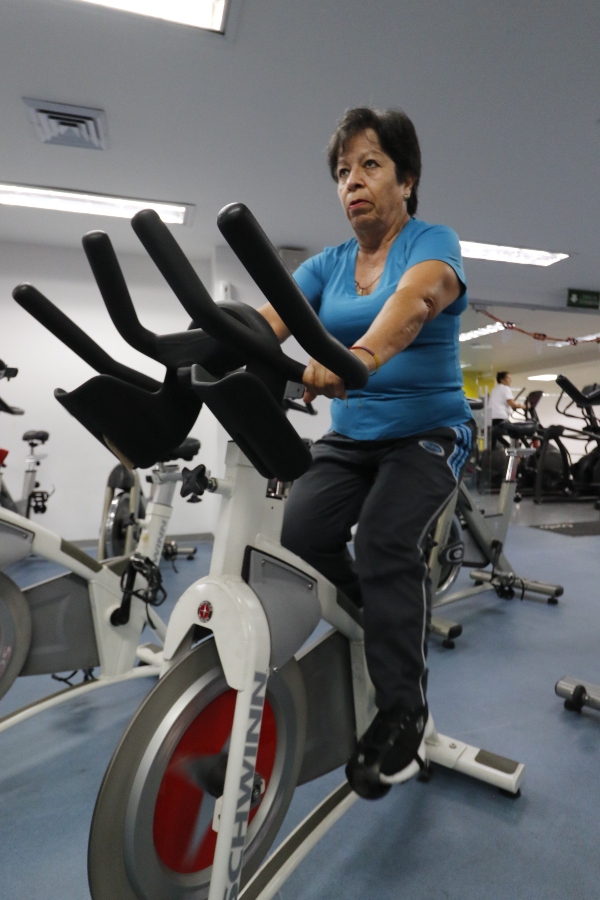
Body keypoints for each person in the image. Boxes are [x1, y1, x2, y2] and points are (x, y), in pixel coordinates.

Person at [258, 107, 474, 798]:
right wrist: (219, 348)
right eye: (343, 171)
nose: (353, 181)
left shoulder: (430, 243)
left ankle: (403, 711)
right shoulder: (327, 264)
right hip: (352, 437)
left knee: (384, 538)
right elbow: (270, 320)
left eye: (371, 165)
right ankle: (376, 610)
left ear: (406, 180)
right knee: (301, 530)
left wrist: (360, 355)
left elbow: (414, 304)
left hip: (429, 432)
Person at [490, 371, 525, 448]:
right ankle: (514, 447)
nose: (510, 380)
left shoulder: (494, 390)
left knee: (495, 435)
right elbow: (512, 404)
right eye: (508, 378)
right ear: (502, 380)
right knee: (515, 431)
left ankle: (493, 454)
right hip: (501, 418)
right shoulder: (505, 388)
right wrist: (525, 407)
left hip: (492, 418)